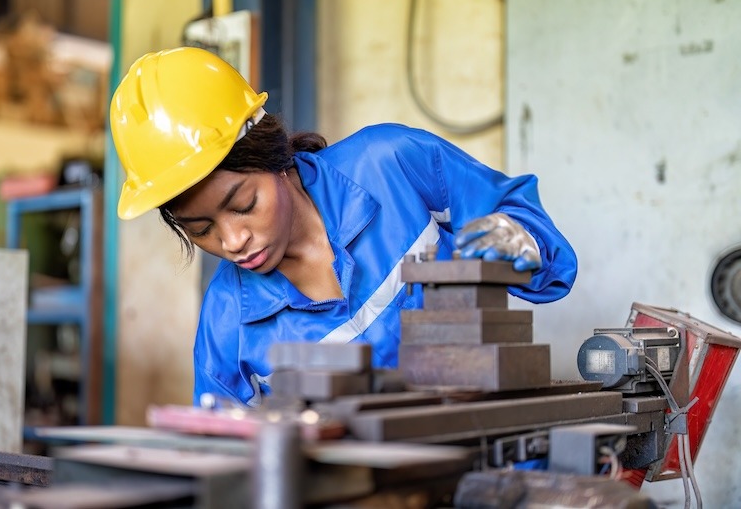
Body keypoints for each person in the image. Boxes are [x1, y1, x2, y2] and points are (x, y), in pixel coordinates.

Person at [110, 47, 577, 407]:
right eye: (201, 229)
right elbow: (220, 461)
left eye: (244, 205)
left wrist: (523, 240)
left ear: (275, 157)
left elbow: (536, 245)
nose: (233, 241)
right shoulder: (228, 318)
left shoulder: (391, 166)